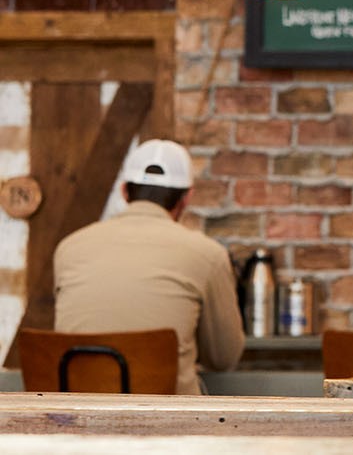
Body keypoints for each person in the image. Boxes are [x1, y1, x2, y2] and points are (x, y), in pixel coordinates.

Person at [54, 139, 244, 395]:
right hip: (170, 426)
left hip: (76, 424)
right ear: (186, 198)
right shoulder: (207, 255)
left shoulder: (69, 248)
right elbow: (223, 357)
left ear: (124, 192)